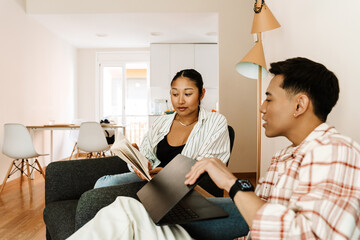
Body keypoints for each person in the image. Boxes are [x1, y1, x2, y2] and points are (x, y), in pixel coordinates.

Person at [67, 57, 360, 240]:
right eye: (174, 93)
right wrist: (239, 189)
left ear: (299, 104)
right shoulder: (285, 155)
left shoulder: (335, 150)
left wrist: (232, 184)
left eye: (269, 98)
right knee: (126, 210)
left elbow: (307, 234)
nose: (261, 107)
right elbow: (258, 206)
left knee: (126, 214)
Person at [94, 69, 231, 188]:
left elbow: (209, 166)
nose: (180, 101)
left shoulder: (215, 122)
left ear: (201, 94)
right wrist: (138, 160)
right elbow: (147, 156)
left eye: (188, 94)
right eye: (175, 94)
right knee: (102, 182)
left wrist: (166, 173)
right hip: (151, 180)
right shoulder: (162, 121)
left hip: (182, 186)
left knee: (103, 190)